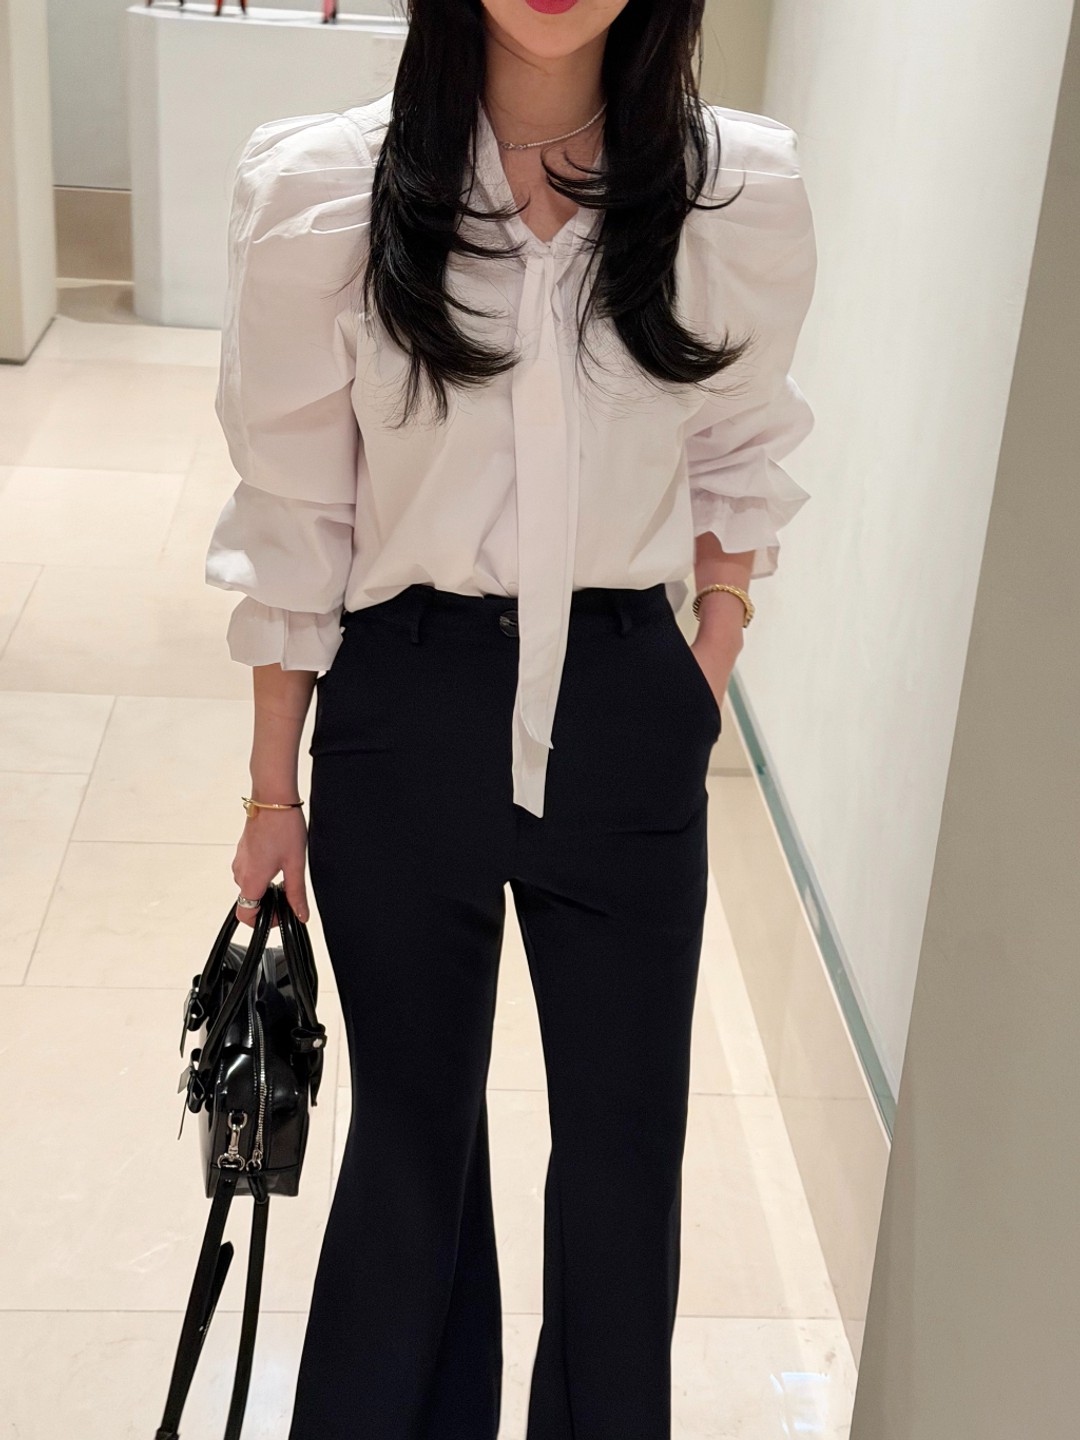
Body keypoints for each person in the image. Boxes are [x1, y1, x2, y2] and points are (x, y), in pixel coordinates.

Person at [204, 1, 817, 1434]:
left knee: (623, 1160)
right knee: (411, 1153)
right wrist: (272, 792)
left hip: (625, 702)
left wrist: (706, 657)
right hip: (406, 704)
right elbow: (297, 511)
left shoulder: (728, 192)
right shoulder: (329, 193)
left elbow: (740, 449)